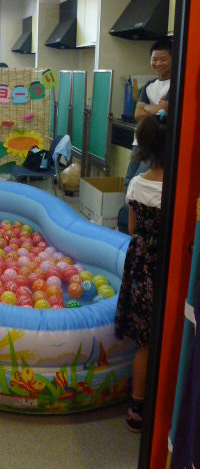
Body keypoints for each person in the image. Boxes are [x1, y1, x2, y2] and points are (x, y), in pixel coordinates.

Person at [114, 115, 165, 433]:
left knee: (144, 344)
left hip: (140, 265)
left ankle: (136, 407)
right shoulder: (176, 186)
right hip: (165, 265)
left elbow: (132, 227)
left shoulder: (137, 184)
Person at [118, 36, 172, 234]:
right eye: (154, 59)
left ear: (173, 59)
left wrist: (150, 108)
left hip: (156, 144)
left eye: (163, 58)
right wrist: (155, 109)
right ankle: (126, 227)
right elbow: (138, 114)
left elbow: (161, 110)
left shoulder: (176, 84)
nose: (158, 63)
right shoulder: (149, 85)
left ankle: (139, 230)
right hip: (138, 141)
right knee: (129, 182)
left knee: (141, 182)